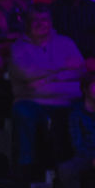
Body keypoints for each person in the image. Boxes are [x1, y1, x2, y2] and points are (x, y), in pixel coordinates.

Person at [8, 11, 85, 178]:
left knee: (85, 110)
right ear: (27, 23)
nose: (39, 23)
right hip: (31, 101)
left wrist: (46, 79)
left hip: (67, 101)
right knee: (23, 112)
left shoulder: (66, 43)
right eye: (34, 19)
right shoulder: (18, 47)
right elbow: (26, 75)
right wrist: (63, 67)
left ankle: (71, 169)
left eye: (44, 19)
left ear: (51, 22)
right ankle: (26, 169)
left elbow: (80, 71)